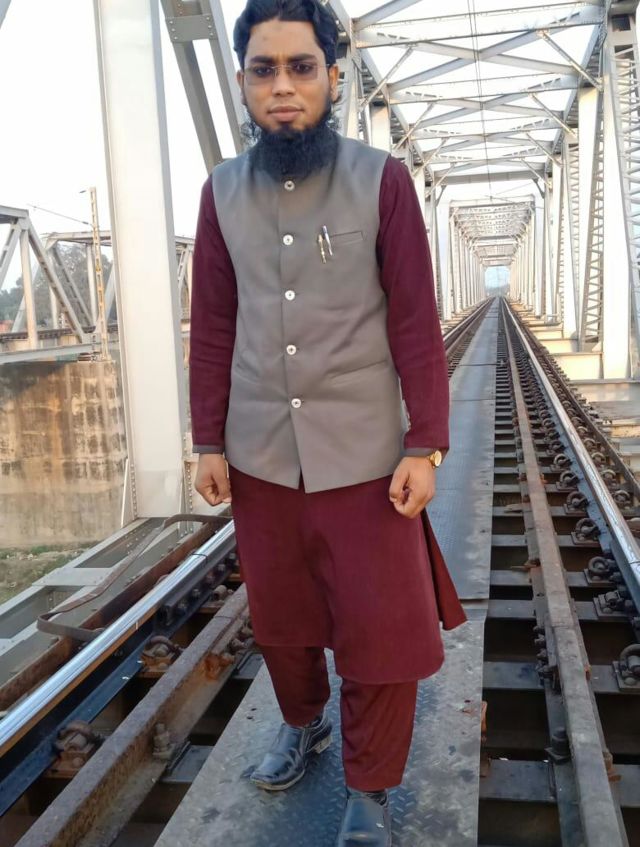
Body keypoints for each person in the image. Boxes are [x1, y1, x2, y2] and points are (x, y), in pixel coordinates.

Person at [189, 2, 467, 844]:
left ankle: (370, 788)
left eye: (301, 67)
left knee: (380, 633)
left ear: (334, 76)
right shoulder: (220, 192)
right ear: (242, 82)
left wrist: (426, 443)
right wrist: (208, 439)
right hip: (262, 456)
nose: (282, 87)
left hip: (367, 458)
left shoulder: (381, 180)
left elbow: (414, 320)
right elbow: (214, 324)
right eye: (264, 69)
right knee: (283, 621)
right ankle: (302, 721)